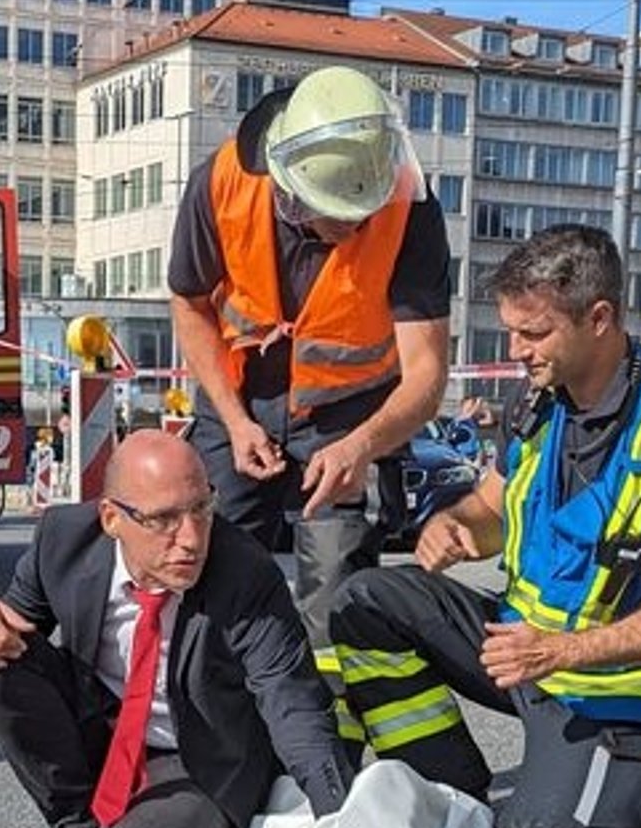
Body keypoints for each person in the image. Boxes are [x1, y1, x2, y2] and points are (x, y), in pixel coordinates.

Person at [327, 224, 641, 828]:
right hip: (528, 652)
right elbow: (493, 510)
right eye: (511, 332)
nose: (515, 351)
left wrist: (564, 649)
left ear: (599, 318)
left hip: (621, 693)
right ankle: (453, 792)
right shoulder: (539, 403)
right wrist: (458, 525)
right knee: (365, 600)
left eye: (532, 333)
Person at [167, 64, 453, 736]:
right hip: (238, 403)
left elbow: (427, 375)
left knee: (338, 601)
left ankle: (336, 757)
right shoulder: (223, 183)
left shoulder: (408, 206)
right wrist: (235, 421)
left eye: (359, 219)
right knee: (201, 568)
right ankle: (211, 739)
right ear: (290, 187)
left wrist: (362, 444)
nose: (348, 234)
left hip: (354, 417)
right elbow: (190, 303)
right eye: (334, 221)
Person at [0, 430, 352, 828]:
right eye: (163, 519)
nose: (190, 539)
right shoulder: (62, 541)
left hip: (198, 757)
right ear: (111, 519)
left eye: (201, 509)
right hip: (103, 734)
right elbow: (10, 628)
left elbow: (293, 705)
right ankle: (82, 827)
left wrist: (341, 822)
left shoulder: (247, 573)